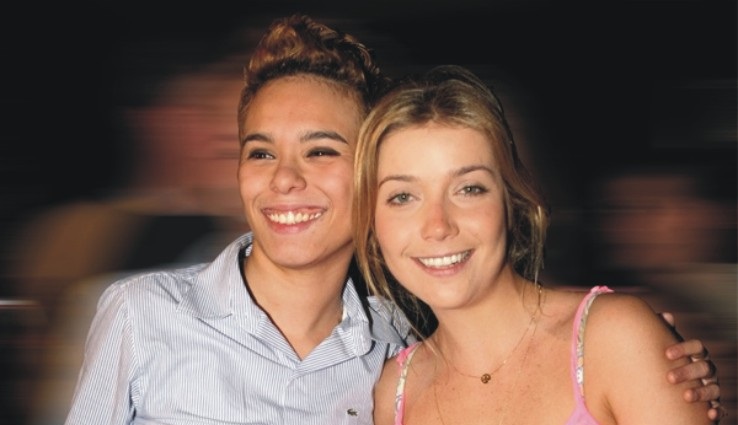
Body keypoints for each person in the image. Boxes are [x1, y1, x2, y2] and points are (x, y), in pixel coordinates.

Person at [63, 15, 721, 425]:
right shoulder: (143, 314)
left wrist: (640, 352)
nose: (284, 178)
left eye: (321, 150)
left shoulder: (391, 352)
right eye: (260, 152)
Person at [353, 65, 722, 424]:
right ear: (373, 225)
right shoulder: (392, 394)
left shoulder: (614, 339)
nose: (438, 226)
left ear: (511, 203)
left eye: (469, 189)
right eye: (402, 197)